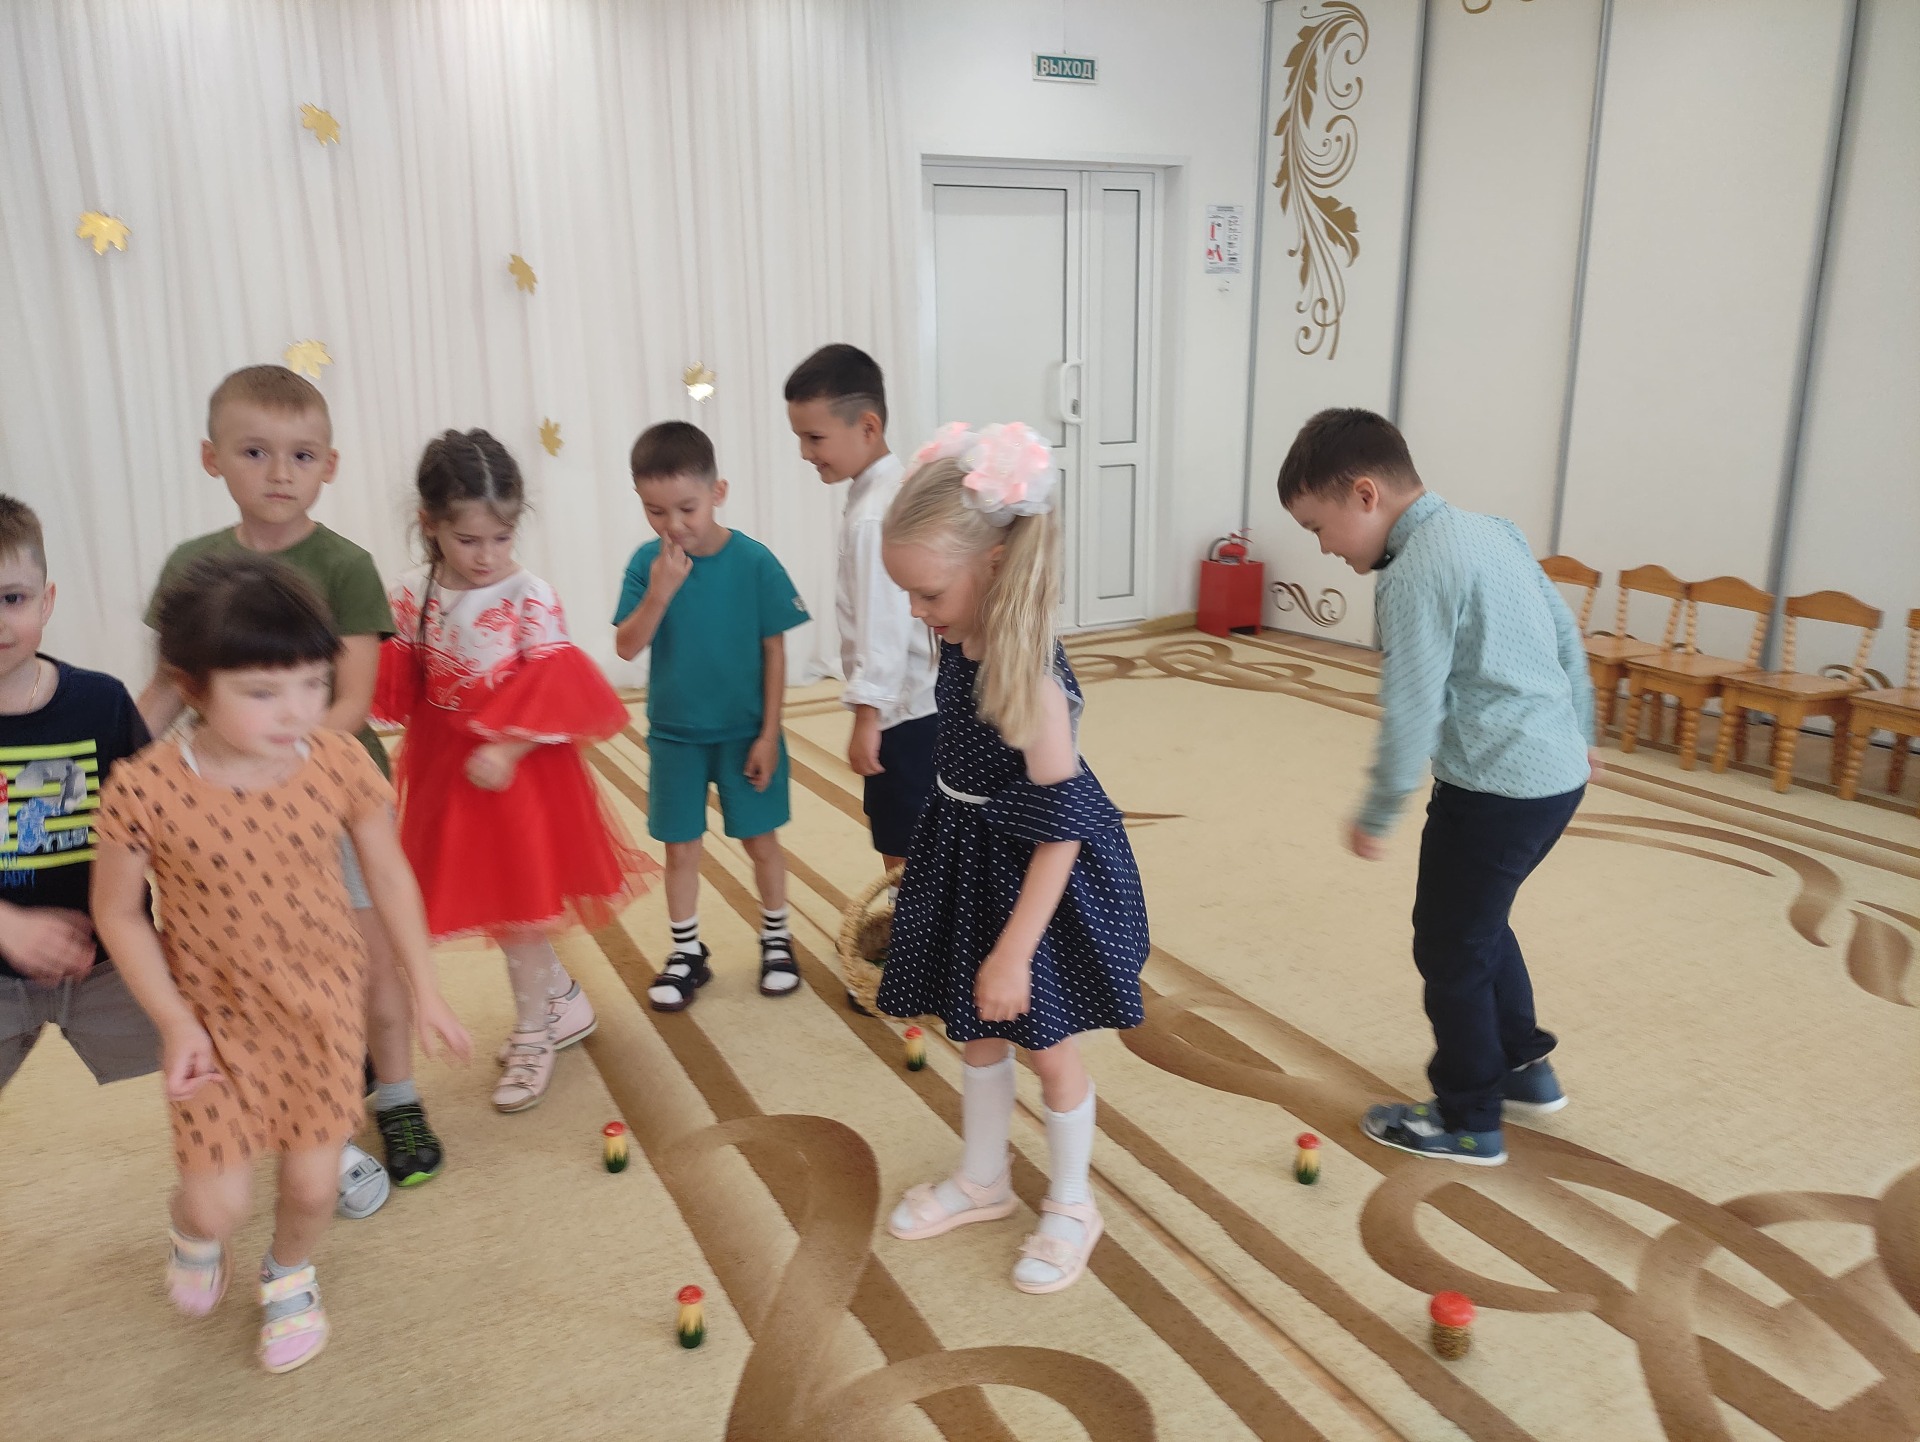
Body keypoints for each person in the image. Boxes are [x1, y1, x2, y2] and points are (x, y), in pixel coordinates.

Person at [93, 554, 471, 1375]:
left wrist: (427, 988)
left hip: (321, 1015)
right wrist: (174, 1022)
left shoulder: (335, 761)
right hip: (212, 1028)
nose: (297, 709)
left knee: (310, 1188)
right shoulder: (142, 787)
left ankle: (289, 1274)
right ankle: (193, 1232)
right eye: (262, 691)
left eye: (311, 682)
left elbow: (389, 875)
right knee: (216, 1202)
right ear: (193, 688)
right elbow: (116, 912)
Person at [137, 364, 439, 1197]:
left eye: (301, 455)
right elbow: (167, 689)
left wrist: (277, 780)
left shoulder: (343, 565)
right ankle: (293, 1100)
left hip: (331, 803)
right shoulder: (193, 565)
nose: (279, 473)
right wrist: (119, 766)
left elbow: (348, 703)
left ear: (329, 466)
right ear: (212, 458)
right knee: (263, 963)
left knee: (367, 961)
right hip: (223, 814)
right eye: (255, 452)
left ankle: (398, 1095)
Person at [1278, 407, 1593, 1166]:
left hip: (1493, 787)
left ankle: (1468, 1115)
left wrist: (1382, 806)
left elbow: (1414, 706)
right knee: (1478, 924)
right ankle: (1522, 1067)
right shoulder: (1493, 531)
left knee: (1449, 947)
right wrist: (1582, 729)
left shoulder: (1415, 572)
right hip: (1555, 778)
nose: (1324, 548)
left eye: (1319, 528)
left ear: (1365, 495)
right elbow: (1565, 636)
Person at [875, 422, 1148, 1294]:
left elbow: (1063, 826)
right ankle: (984, 1180)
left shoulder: (1029, 679)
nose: (917, 611)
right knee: (977, 1031)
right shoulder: (961, 637)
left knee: (1048, 1047)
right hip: (969, 854)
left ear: (993, 563)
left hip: (1037, 881)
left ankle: (1072, 1203)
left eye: (927, 592)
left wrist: (1014, 952)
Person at [374, 429, 659, 1114]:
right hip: (448, 769)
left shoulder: (531, 595)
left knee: (521, 910)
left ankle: (534, 1031)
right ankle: (561, 1000)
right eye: (469, 540)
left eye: (501, 538)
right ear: (430, 525)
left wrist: (507, 749)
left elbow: (558, 690)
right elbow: (403, 681)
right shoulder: (410, 594)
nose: (487, 556)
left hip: (519, 773)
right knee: (496, 903)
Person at [613, 421, 811, 1012]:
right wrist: (660, 592)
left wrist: (770, 734)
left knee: (760, 840)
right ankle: (686, 952)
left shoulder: (753, 561)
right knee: (680, 848)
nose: (672, 525)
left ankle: (777, 938)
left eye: (687, 508)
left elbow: (775, 649)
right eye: (655, 511)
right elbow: (626, 647)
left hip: (746, 734)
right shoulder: (647, 564)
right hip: (675, 736)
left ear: (717, 492)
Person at [0, 496, 159, 1095]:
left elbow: (160, 821)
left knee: (207, 1057)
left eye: (12, 599)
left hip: (113, 957)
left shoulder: (102, 703)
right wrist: (7, 925)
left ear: (46, 601)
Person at [785, 345, 938, 874]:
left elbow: (883, 625)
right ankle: (916, 912)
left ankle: (911, 919)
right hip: (919, 700)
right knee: (915, 829)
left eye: (815, 438)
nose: (805, 452)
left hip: (902, 711)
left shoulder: (873, 515)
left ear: (868, 427)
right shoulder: (888, 490)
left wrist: (868, 718)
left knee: (903, 835)